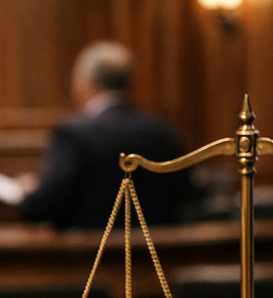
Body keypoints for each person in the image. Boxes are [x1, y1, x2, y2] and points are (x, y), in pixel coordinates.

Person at [16, 42, 192, 230]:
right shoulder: (163, 131)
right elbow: (185, 196)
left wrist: (28, 193)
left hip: (90, 255)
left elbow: (45, 205)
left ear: (87, 83)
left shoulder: (74, 134)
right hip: (158, 254)